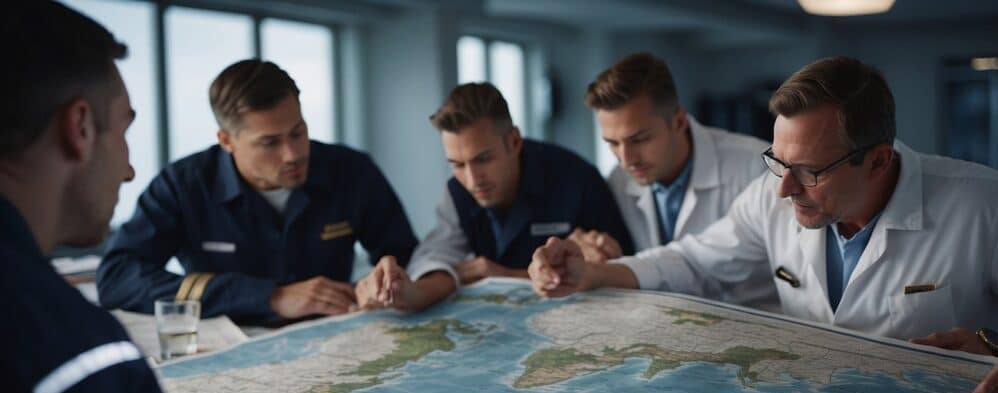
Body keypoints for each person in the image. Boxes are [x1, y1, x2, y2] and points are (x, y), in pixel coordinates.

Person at [1, 3, 389, 393]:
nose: (130, 169)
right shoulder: (76, 354)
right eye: (126, 129)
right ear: (78, 128)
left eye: (299, 134)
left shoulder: (350, 171)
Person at [529, 56, 998, 350]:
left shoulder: (990, 206)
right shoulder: (772, 193)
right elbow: (692, 261)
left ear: (876, 161)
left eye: (810, 171)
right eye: (778, 161)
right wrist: (591, 275)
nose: (784, 189)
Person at [97, 58, 418, 322]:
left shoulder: (352, 171)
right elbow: (118, 277)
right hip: (231, 354)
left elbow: (409, 258)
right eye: (270, 142)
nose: (292, 154)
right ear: (226, 141)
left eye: (298, 132)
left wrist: (388, 277)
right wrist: (271, 297)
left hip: (337, 341)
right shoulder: (183, 185)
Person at [356, 82, 633, 312]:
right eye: (457, 164)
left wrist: (506, 277)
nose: (473, 180)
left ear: (514, 142)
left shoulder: (578, 180)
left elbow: (622, 270)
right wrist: (407, 290)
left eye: (483, 159)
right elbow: (437, 253)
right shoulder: (457, 191)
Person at [579, 52, 775, 307]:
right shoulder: (619, 180)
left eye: (639, 139)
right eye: (613, 143)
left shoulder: (756, 166)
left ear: (679, 121)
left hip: (758, 325)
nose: (627, 159)